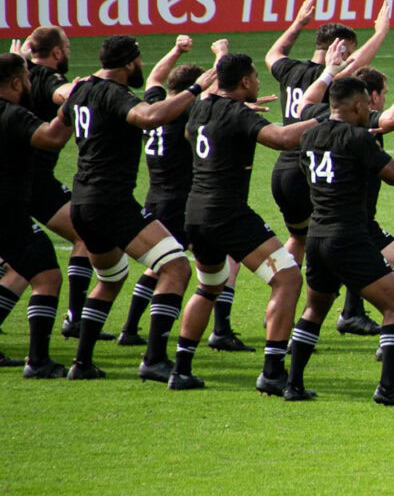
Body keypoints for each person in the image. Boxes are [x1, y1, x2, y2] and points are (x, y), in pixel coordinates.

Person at [58, 36, 222, 381]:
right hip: (111, 202)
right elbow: (148, 117)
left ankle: (82, 363)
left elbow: (57, 123)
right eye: (139, 60)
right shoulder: (113, 93)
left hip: (82, 200)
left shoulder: (82, 90)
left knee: (110, 278)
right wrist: (194, 89)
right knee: (176, 267)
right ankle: (154, 359)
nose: (142, 66)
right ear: (128, 63)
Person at [288, 78, 394, 405]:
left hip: (317, 236)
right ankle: (389, 388)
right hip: (349, 236)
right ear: (358, 106)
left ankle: (293, 384)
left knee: (314, 311)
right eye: (368, 105)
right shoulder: (358, 139)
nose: (372, 109)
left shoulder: (308, 136)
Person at [169, 52, 321, 391]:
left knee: (208, 287)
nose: (258, 82)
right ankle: (272, 372)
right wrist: (328, 119)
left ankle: (180, 369)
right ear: (244, 82)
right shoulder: (237, 112)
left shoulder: (201, 107)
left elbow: (194, 136)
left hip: (195, 212)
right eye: (255, 77)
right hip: (227, 212)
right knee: (288, 278)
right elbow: (281, 139)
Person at [263, 0, 388, 334]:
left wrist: (299, 22)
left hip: (283, 171)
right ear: (339, 49)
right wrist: (380, 33)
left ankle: (280, 302)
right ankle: (351, 311)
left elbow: (273, 53)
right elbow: (359, 63)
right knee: (345, 230)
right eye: (346, 50)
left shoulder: (290, 71)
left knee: (299, 239)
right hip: (315, 166)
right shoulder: (334, 84)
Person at [117, 36, 250, 352]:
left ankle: (129, 327)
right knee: (225, 258)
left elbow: (154, 78)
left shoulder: (154, 107)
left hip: (155, 198)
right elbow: (217, 94)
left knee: (158, 265)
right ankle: (220, 328)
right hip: (182, 201)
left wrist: (175, 51)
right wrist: (222, 54)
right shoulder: (187, 115)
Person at [0, 53, 75, 377]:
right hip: (6, 210)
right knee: (47, 273)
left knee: (21, 266)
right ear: (16, 82)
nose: (31, 85)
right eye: (27, 80)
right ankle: (38, 361)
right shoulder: (13, 114)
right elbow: (52, 138)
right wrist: (73, 107)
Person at [22, 28, 93, 339]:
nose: (68, 51)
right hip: (33, 181)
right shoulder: (50, 78)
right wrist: (75, 91)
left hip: (24, 179)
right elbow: (60, 93)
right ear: (56, 53)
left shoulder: (20, 72)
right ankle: (76, 318)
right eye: (66, 46)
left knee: (17, 260)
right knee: (86, 234)